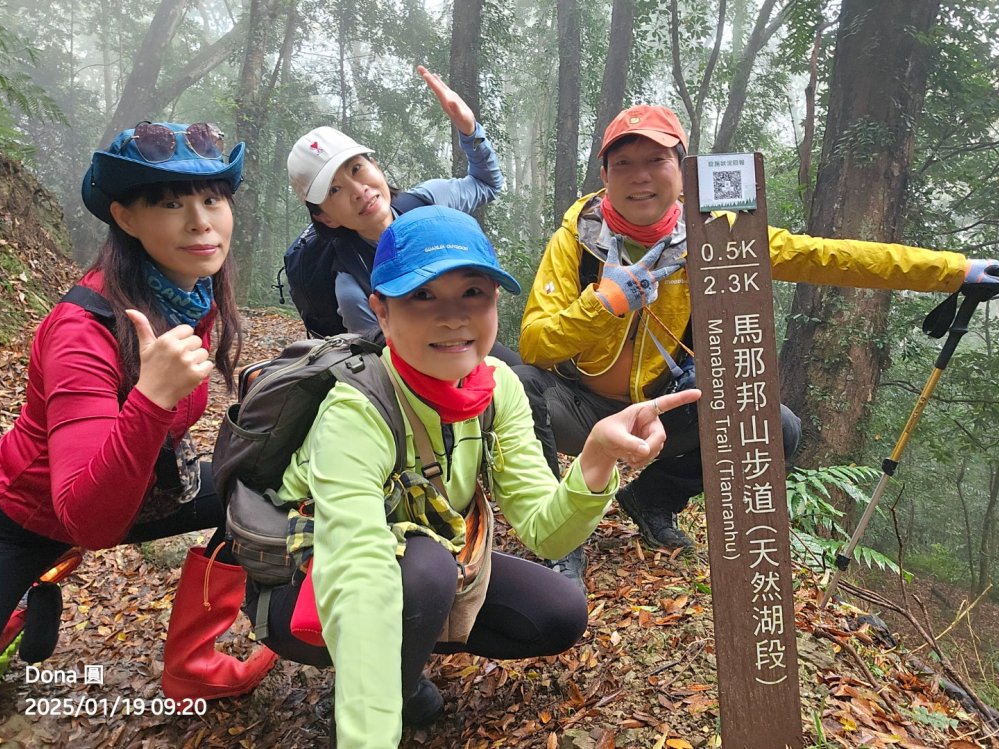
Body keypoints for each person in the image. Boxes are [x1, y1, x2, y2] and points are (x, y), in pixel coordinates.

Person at [243, 205, 701, 748]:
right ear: (381, 312)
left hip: (424, 564)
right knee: (425, 570)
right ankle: (391, 686)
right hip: (307, 583)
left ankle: (405, 650)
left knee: (556, 613)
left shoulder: (497, 386)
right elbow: (359, 572)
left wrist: (597, 456)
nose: (453, 317)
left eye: (473, 294)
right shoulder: (357, 408)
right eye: (422, 296)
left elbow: (545, 530)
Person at [516, 104, 999, 587]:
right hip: (577, 408)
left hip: (658, 414)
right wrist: (605, 303)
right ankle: (563, 538)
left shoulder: (716, 237)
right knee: (517, 379)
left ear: (683, 172)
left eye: (656, 161)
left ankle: (652, 499)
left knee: (776, 425)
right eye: (623, 163)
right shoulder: (577, 239)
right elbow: (536, 344)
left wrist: (954, 271)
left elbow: (826, 256)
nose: (639, 177)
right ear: (604, 174)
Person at [0, 122, 277, 698]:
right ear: (125, 217)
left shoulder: (188, 291)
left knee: (264, 482)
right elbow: (85, 521)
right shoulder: (81, 330)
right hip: (15, 518)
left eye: (212, 198)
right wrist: (152, 398)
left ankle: (193, 666)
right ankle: (13, 614)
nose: (200, 220)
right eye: (169, 202)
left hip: (130, 490)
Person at [284, 66, 518, 366]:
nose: (358, 190)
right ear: (326, 219)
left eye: (357, 169)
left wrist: (469, 130)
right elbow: (383, 364)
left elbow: (487, 184)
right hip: (425, 368)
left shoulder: (425, 202)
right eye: (335, 191)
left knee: (532, 379)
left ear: (376, 165)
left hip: (469, 337)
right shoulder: (351, 284)